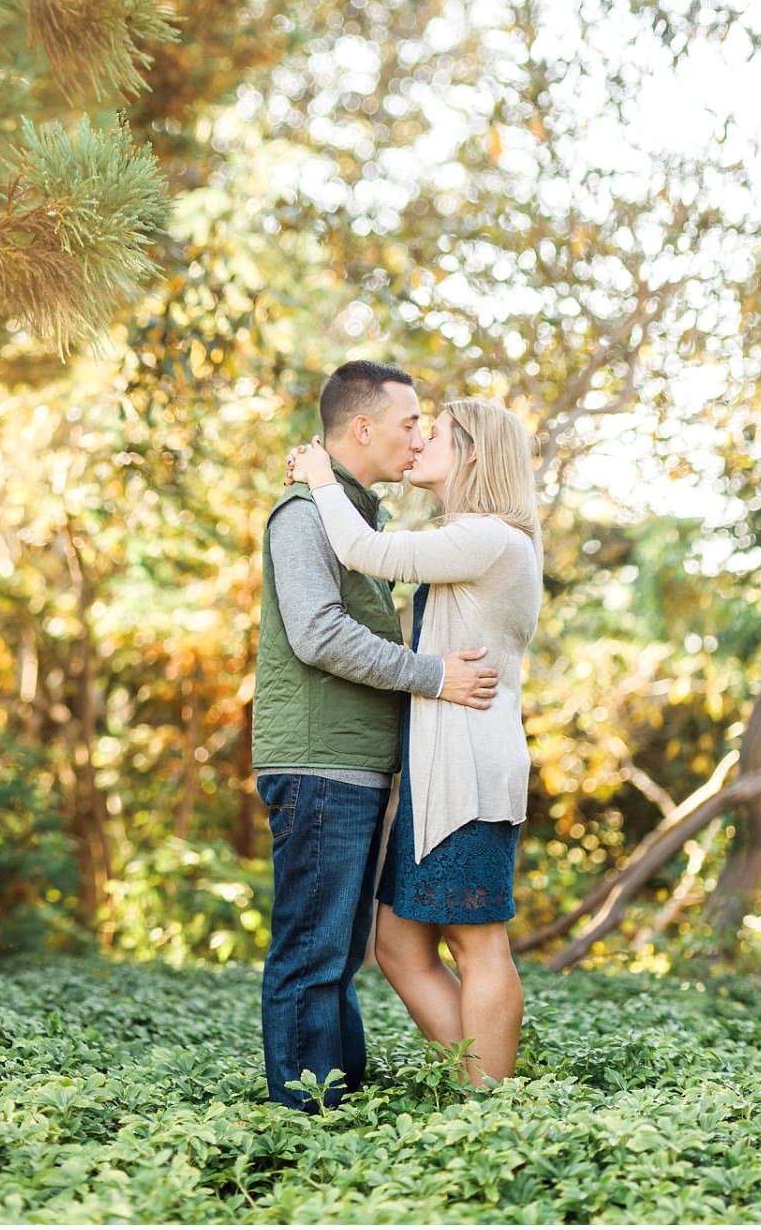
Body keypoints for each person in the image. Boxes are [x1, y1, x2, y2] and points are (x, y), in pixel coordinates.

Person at [251, 360, 500, 1113]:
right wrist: (434, 675)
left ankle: (339, 1101)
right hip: (319, 759)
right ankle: (306, 1119)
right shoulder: (301, 516)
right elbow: (319, 634)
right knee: (312, 952)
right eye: (408, 422)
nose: (418, 435)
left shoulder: (354, 520)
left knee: (336, 954)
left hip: (354, 763)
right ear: (362, 428)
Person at [289, 396, 543, 1087]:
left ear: (472, 454)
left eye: (437, 433)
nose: (421, 439)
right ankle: (474, 1081)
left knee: (478, 941)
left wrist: (319, 474)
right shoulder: (475, 536)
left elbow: (366, 550)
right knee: (399, 944)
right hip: (438, 777)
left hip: (469, 774)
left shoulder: (489, 535)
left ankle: (487, 1103)